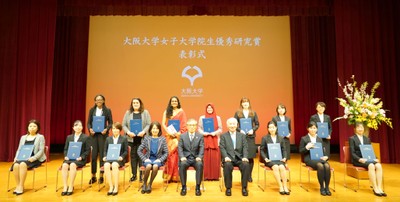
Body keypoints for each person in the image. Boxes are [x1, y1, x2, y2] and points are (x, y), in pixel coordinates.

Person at [349, 122, 386, 197]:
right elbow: (352, 153)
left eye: (362, 127)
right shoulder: (352, 139)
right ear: (355, 129)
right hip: (358, 160)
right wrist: (359, 159)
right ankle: (375, 188)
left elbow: (370, 151)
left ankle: (379, 187)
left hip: (368, 159)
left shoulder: (367, 139)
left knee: (378, 165)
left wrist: (375, 158)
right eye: (358, 127)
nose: (360, 129)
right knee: (371, 165)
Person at [11, 119, 46, 195]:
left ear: (37, 128)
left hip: (35, 158)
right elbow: (19, 149)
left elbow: (41, 150)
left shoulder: (40, 137)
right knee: (16, 165)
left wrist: (33, 158)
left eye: (34, 126)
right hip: (23, 157)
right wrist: (16, 157)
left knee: (23, 164)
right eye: (30, 126)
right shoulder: (23, 137)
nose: (32, 128)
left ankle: (21, 186)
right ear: (27, 127)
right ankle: (17, 185)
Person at [122, 98, 151, 182]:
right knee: (133, 157)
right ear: (132, 104)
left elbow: (149, 124)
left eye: (137, 102)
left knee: (141, 157)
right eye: (133, 102)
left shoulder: (145, 112)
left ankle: (142, 175)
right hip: (131, 139)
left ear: (140, 103)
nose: (135, 104)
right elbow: (123, 125)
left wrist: (143, 131)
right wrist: (128, 132)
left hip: (142, 138)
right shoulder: (128, 113)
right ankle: (134, 175)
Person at [299, 121, 332, 196]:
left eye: (314, 128)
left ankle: (327, 187)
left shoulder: (319, 139)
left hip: (319, 158)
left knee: (327, 165)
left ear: (317, 129)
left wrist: (325, 156)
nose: (313, 130)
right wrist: (307, 147)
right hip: (309, 159)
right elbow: (301, 151)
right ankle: (321, 187)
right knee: (320, 165)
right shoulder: (304, 139)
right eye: (311, 128)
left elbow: (323, 151)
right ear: (308, 129)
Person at [220, 117, 250, 197]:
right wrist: (225, 157)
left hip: (240, 158)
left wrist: (245, 157)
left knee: (246, 165)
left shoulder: (242, 136)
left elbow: (245, 147)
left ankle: (244, 187)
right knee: (227, 166)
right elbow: (222, 147)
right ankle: (228, 188)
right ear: (227, 125)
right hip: (228, 159)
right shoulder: (223, 136)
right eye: (230, 124)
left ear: (237, 125)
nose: (232, 125)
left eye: (234, 124)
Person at [87, 94, 113, 184]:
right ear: (95, 101)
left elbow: (111, 123)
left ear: (103, 101)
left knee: (102, 155)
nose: (99, 101)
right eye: (97, 100)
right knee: (93, 156)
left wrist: (106, 129)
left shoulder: (107, 110)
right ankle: (93, 176)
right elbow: (88, 123)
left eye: (100, 99)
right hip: (93, 136)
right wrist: (90, 129)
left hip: (103, 136)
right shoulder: (92, 110)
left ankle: (101, 176)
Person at [61, 120, 90, 196]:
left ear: (82, 127)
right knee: (64, 165)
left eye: (80, 125)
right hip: (69, 158)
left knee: (73, 165)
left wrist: (81, 157)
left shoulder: (86, 137)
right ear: (73, 128)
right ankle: (65, 186)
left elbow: (87, 150)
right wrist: (66, 156)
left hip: (79, 159)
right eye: (76, 125)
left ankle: (71, 186)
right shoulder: (69, 137)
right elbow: (66, 149)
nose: (78, 127)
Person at [138, 121, 168, 194]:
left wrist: (160, 160)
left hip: (157, 160)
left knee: (155, 166)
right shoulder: (147, 138)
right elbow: (139, 150)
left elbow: (166, 152)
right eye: (153, 128)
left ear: (159, 130)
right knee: (148, 166)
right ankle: (144, 184)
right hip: (148, 158)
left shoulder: (163, 139)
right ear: (150, 130)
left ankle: (150, 184)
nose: (155, 130)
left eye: (157, 129)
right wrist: (145, 159)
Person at [161, 96, 187, 182]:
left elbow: (184, 124)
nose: (174, 102)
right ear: (170, 102)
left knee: (176, 156)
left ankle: (175, 176)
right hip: (169, 136)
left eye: (176, 101)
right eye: (173, 101)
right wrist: (168, 131)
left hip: (178, 136)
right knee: (169, 155)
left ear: (178, 102)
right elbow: (163, 124)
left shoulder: (181, 112)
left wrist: (178, 133)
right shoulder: (167, 111)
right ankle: (169, 176)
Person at [260, 121, 289, 195]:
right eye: (270, 127)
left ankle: (285, 186)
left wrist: (285, 157)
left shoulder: (281, 138)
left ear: (276, 128)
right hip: (269, 159)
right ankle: (280, 187)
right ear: (268, 129)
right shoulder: (265, 138)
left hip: (279, 159)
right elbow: (262, 150)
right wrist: (265, 158)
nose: (271, 129)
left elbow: (284, 149)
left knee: (282, 167)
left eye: (273, 127)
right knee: (275, 167)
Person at [234, 97, 259, 182]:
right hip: (241, 137)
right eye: (244, 102)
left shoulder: (253, 113)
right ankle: (244, 175)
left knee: (250, 157)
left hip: (250, 137)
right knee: (243, 157)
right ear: (241, 104)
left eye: (247, 102)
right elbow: (234, 124)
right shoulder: (238, 113)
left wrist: (253, 130)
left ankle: (249, 175)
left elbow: (257, 124)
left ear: (249, 103)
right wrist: (240, 130)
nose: (245, 104)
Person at [178, 119, 204, 196]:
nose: (192, 127)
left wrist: (199, 156)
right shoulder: (182, 136)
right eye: (190, 125)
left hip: (196, 158)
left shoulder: (200, 136)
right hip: (185, 158)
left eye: (193, 125)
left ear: (196, 126)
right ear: (187, 126)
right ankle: (183, 187)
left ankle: (198, 187)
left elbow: (202, 147)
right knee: (182, 164)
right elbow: (180, 148)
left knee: (199, 164)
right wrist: (182, 157)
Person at [198, 103, 222, 180]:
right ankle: (206, 176)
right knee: (206, 159)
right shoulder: (202, 117)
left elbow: (220, 129)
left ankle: (215, 176)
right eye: (208, 108)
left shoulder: (218, 118)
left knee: (215, 159)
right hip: (205, 140)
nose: (209, 109)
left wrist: (214, 133)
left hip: (215, 141)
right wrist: (204, 133)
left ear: (213, 109)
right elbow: (199, 129)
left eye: (211, 108)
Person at [102, 122, 128, 196]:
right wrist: (104, 156)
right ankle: (111, 186)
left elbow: (126, 151)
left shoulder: (124, 139)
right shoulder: (108, 139)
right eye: (113, 129)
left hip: (119, 159)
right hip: (109, 158)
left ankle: (116, 187)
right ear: (111, 130)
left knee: (114, 165)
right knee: (106, 165)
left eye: (116, 129)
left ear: (120, 130)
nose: (115, 130)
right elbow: (105, 150)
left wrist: (122, 157)